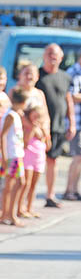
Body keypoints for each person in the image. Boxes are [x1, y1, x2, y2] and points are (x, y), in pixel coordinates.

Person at [36, 44, 76, 208]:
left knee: (53, 160)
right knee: (35, 162)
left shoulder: (65, 77)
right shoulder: (37, 75)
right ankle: (26, 197)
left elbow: (68, 100)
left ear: (61, 58)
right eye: (49, 53)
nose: (52, 57)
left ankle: (50, 195)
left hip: (58, 125)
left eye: (56, 54)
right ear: (44, 56)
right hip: (39, 127)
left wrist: (71, 123)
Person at [0, 88, 28, 226]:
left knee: (18, 183)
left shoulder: (15, 115)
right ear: (21, 102)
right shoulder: (10, 116)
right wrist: (4, 156)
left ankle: (9, 213)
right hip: (11, 155)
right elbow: (3, 135)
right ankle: (9, 214)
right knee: (12, 185)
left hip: (17, 154)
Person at [18, 105, 49, 218]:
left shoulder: (42, 128)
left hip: (39, 158)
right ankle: (20, 207)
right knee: (26, 183)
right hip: (28, 157)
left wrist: (44, 133)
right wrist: (32, 129)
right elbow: (25, 142)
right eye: (34, 115)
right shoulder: (27, 127)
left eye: (39, 116)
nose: (37, 118)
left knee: (33, 185)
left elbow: (48, 145)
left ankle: (29, 207)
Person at [64, 50, 81, 200]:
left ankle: (75, 190)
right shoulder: (73, 72)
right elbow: (71, 96)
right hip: (76, 122)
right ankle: (70, 190)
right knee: (77, 157)